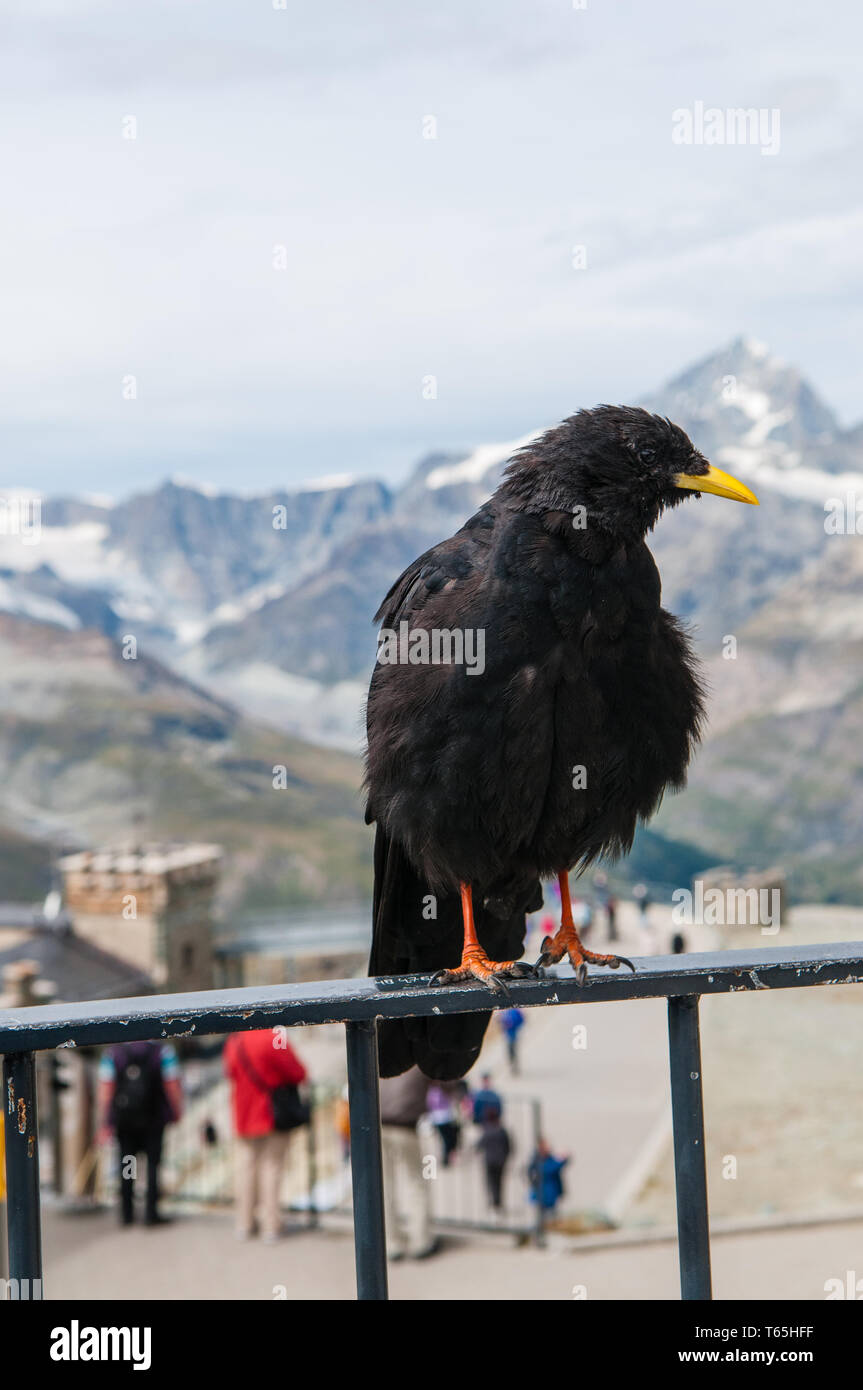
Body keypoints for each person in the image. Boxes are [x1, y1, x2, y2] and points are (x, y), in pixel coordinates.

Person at [223, 1027, 307, 1244]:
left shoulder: (235, 1039)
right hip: (271, 1113)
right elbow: (295, 1071)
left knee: (246, 1169)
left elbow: (229, 1071)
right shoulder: (273, 1037)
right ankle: (271, 1225)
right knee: (272, 1169)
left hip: (243, 1112)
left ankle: (244, 1222)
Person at [98, 1039, 183, 1227]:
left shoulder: (114, 1052)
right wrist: (176, 1110)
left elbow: (106, 1087)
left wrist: (106, 1120)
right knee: (153, 1165)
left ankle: (127, 1212)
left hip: (125, 1119)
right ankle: (151, 1212)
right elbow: (172, 1083)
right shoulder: (162, 1051)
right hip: (154, 1118)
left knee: (128, 1163)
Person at [378, 1067, 438, 1260]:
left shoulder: (378, 1052)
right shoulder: (417, 1060)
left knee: (383, 1187)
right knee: (415, 1184)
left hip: (378, 1125)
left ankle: (391, 1242)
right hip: (405, 1126)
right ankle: (420, 1240)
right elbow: (445, 1078)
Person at [477, 1111, 511, 1214]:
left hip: (490, 1161)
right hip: (500, 1161)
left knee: (491, 1182)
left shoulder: (488, 1131)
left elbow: (480, 1145)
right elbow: (508, 1146)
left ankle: (494, 1201)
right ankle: (497, 1201)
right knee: (499, 1182)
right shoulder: (502, 1131)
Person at [528, 1139, 570, 1215]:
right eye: (545, 1146)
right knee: (542, 1218)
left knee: (551, 1218)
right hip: (542, 1196)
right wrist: (562, 1161)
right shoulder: (538, 1161)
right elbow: (548, 1170)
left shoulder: (550, 1159)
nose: (548, 1148)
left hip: (551, 1195)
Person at [426, 1081, 462, 1166]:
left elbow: (429, 1106)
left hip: (437, 1119)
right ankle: (446, 1158)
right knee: (447, 1139)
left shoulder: (431, 1093)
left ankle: (446, 1156)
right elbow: (448, 1103)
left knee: (444, 1139)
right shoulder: (441, 1092)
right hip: (445, 1118)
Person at [498, 1007, 525, 1075]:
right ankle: (512, 1066)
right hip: (507, 1035)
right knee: (509, 1051)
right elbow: (499, 1021)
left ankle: (514, 1067)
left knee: (513, 1051)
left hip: (513, 1035)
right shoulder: (504, 1011)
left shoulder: (515, 1011)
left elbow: (521, 1020)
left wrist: (513, 1025)